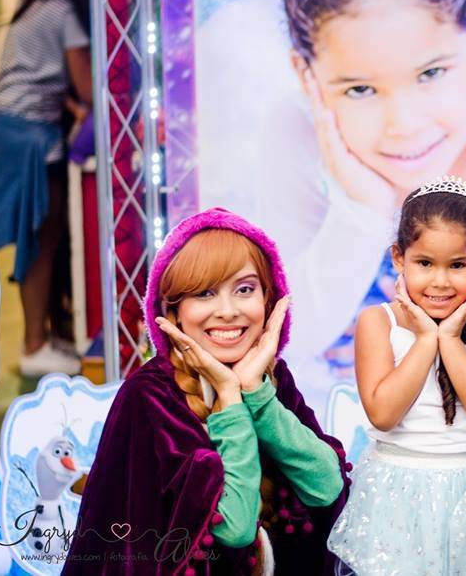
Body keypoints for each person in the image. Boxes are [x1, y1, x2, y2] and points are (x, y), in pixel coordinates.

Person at [267, 0, 466, 373]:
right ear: (306, 75)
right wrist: (362, 210)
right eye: (360, 89)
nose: (404, 124)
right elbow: (284, 339)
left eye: (431, 73)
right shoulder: (295, 140)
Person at [63, 208, 349, 575]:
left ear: (269, 299)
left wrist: (256, 396)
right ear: (173, 311)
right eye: (204, 293)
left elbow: (326, 487)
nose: (227, 311)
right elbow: (233, 529)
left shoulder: (273, 379)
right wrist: (230, 401)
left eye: (245, 289)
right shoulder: (150, 397)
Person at [327, 176, 466, 574]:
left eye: (458, 265)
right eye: (424, 263)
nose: (440, 281)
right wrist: (427, 339)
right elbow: (383, 413)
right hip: (394, 490)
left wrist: (450, 339)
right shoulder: (377, 322)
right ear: (399, 258)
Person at [0, 0, 91, 376]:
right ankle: (34, 344)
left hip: (9, 125)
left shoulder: (32, 6)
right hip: (33, 136)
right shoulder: (64, 11)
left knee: (36, 237)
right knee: (42, 237)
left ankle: (39, 337)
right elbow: (88, 89)